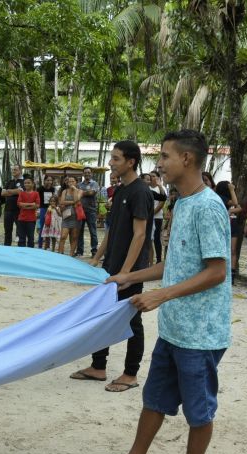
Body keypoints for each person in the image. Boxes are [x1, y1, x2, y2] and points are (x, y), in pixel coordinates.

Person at [85, 129, 231, 454]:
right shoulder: (180, 204)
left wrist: (162, 295)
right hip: (175, 328)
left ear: (187, 159)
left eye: (165, 156)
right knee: (154, 398)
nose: (160, 163)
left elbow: (217, 271)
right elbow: (177, 264)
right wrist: (130, 278)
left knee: (198, 408)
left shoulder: (209, 207)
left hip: (201, 334)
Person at [71, 140, 153, 392]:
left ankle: (130, 374)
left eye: (116, 158)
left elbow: (140, 235)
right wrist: (97, 259)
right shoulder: (119, 192)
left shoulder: (140, 192)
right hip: (111, 268)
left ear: (131, 162)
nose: (110, 163)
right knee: (101, 315)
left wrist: (126, 273)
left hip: (129, 271)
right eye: (111, 157)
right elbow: (111, 230)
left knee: (131, 320)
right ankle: (98, 367)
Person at [214, 181, 242, 280]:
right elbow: (235, 204)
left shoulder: (227, 199)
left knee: (232, 250)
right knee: (229, 251)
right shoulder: (221, 198)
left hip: (232, 225)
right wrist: (232, 189)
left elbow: (238, 207)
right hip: (225, 226)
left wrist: (230, 211)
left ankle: (232, 273)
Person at [76, 167, 100, 257]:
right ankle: (79, 251)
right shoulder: (79, 185)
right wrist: (86, 192)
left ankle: (94, 251)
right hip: (81, 211)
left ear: (91, 174)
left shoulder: (95, 183)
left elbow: (92, 193)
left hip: (91, 211)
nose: (87, 174)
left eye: (89, 172)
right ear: (83, 174)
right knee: (80, 232)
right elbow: (79, 194)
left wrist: (81, 193)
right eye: (85, 172)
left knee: (93, 232)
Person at [57, 176, 81, 255]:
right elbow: (62, 202)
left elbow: (77, 199)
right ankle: (60, 253)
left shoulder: (80, 191)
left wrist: (74, 190)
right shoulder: (64, 191)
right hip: (66, 217)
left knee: (74, 237)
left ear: (76, 182)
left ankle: (71, 254)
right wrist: (73, 202)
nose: (70, 183)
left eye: (72, 181)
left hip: (76, 217)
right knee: (63, 236)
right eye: (69, 181)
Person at [1, 165, 24, 246]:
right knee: (7, 231)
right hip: (8, 210)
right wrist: (14, 191)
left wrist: (8, 191)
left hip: (18, 210)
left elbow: (20, 192)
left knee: (19, 231)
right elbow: (3, 193)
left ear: (20, 171)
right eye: (13, 170)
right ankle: (7, 248)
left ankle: (20, 248)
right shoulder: (9, 182)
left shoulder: (23, 181)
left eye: (15, 169)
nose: (13, 171)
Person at [16, 176, 40, 247]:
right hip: (21, 219)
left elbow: (37, 205)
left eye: (28, 183)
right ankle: (21, 253)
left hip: (31, 219)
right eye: (25, 183)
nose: (26, 184)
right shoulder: (22, 193)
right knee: (21, 239)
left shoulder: (36, 193)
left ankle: (30, 254)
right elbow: (19, 204)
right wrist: (31, 204)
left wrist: (25, 205)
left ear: (33, 184)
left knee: (30, 238)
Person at [149, 173, 167, 263]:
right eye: (150, 176)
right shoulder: (147, 188)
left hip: (157, 217)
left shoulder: (161, 188)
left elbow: (162, 202)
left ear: (158, 178)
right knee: (148, 240)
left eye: (153, 176)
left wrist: (152, 213)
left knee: (156, 239)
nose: (151, 177)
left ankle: (159, 259)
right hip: (147, 217)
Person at [37, 175, 56, 248]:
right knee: (42, 227)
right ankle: (40, 245)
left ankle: (47, 245)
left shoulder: (53, 189)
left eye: (50, 180)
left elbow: (54, 199)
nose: (49, 182)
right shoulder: (40, 189)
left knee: (50, 227)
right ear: (44, 181)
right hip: (42, 209)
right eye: (47, 180)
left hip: (51, 209)